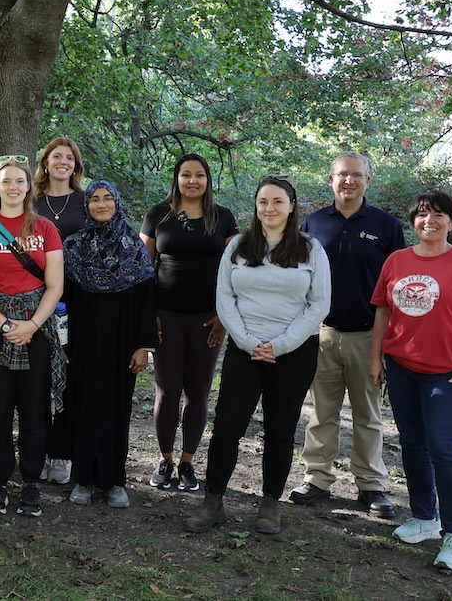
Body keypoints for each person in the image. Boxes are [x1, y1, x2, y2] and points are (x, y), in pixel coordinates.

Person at [186, 175, 330, 536]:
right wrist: (249, 341)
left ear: (292, 206)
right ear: (256, 206)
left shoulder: (311, 249)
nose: (270, 208)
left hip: (294, 352)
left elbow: (319, 304)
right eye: (263, 201)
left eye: (278, 201)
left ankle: (269, 504)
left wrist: (280, 345)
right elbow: (225, 298)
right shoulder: (237, 245)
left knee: (280, 430)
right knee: (227, 425)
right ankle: (213, 501)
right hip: (244, 350)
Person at [369, 190, 452, 573]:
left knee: (443, 449)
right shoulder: (396, 261)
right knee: (412, 444)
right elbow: (382, 311)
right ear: (413, 222)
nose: (430, 221)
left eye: (439, 215)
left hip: (446, 374)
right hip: (401, 368)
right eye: (423, 215)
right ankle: (425, 518)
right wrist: (376, 358)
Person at [290, 153, 405, 518]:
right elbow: (299, 279)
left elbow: (398, 287)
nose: (349, 181)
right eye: (343, 175)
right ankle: (317, 479)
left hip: (369, 336)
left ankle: (371, 485)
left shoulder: (386, 226)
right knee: (321, 412)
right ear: (331, 179)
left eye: (357, 175)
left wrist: (389, 342)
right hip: (321, 333)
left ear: (368, 181)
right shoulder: (313, 222)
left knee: (368, 415)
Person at [0, 154, 65, 518]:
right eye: (5, 180)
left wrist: (32, 325)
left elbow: (55, 286)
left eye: (19, 181)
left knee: (35, 410)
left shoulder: (45, 230)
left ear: (28, 187)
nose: (12, 187)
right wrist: (6, 326)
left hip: (37, 331)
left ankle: (32, 483)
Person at [140, 154, 238, 492]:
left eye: (199, 175)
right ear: (176, 178)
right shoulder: (158, 215)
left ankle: (186, 463)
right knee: (166, 392)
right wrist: (147, 314)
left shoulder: (222, 217)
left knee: (197, 393)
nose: (192, 181)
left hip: (206, 320)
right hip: (164, 317)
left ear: (208, 180)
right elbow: (142, 269)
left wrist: (224, 316)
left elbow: (234, 271)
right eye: (186, 175)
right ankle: (165, 460)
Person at [61, 181, 157, 509]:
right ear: (86, 205)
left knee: (117, 408)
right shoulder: (72, 246)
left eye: (107, 199)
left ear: (117, 202)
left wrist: (144, 345)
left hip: (122, 344)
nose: (101, 205)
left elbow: (147, 300)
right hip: (82, 342)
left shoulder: (134, 245)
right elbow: (61, 301)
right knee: (83, 406)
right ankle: (83, 479)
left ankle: (115, 481)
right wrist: (62, 343)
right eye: (95, 200)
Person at [31, 136, 88, 485]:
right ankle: (37, 451)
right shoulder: (29, 200)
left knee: (69, 377)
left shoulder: (85, 201)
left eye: (69, 157)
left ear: (76, 165)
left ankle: (63, 454)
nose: (63, 162)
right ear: (46, 162)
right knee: (35, 377)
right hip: (32, 296)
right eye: (56, 156)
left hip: (77, 299)